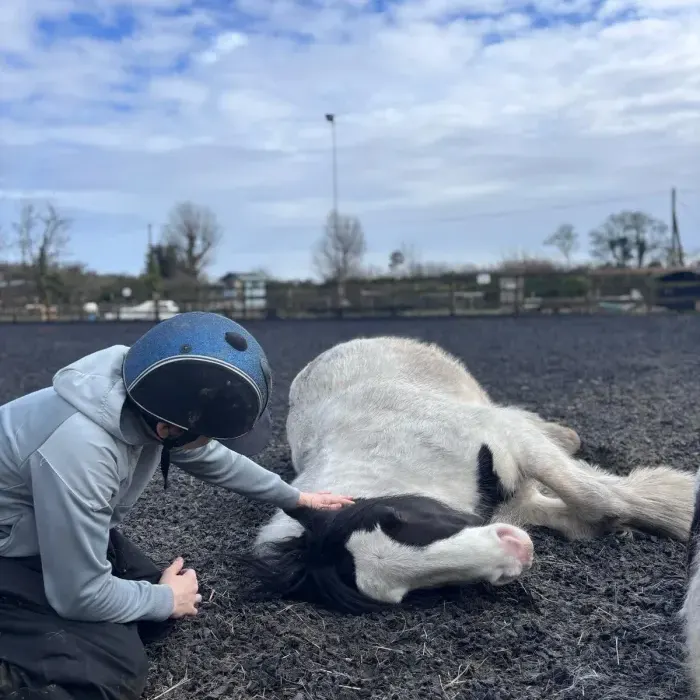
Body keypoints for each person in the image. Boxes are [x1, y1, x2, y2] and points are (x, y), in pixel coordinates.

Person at [0, 311, 354, 700]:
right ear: (168, 430)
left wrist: (295, 499)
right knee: (107, 673)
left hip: (29, 523)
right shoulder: (81, 451)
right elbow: (78, 595)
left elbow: (208, 457)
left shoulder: (142, 391)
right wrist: (167, 599)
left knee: (143, 600)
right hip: (10, 545)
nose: (210, 443)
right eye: (207, 434)